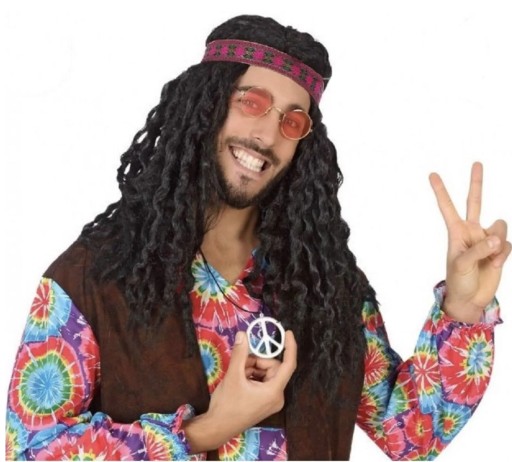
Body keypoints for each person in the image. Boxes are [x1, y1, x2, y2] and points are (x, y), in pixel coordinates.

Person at [5, 13, 510, 461]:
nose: (267, 136)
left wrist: (463, 312)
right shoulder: (93, 276)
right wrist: (206, 431)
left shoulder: (324, 285)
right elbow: (30, 450)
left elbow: (409, 435)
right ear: (206, 105)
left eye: (292, 121)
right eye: (252, 101)